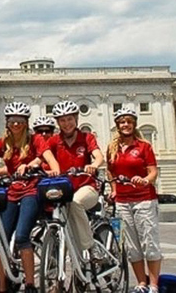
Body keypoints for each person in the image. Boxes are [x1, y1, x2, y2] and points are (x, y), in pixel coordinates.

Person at [0, 102, 59, 293]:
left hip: (31, 190)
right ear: (7, 123)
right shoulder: (4, 142)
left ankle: (30, 284)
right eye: (12, 121)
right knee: (1, 239)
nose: (16, 125)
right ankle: (2, 286)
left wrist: (51, 169)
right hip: (12, 192)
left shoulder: (36, 139)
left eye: (20, 121)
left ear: (25, 122)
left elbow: (49, 158)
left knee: (22, 235)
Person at [107, 108, 162, 293]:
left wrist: (145, 180)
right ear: (117, 125)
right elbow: (110, 171)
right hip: (122, 200)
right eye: (122, 122)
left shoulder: (143, 146)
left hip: (144, 199)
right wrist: (113, 189)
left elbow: (153, 171)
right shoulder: (112, 148)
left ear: (134, 124)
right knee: (131, 246)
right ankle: (141, 283)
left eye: (129, 122)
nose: (125, 125)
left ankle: (154, 285)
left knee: (149, 242)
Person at [45, 100, 104, 261]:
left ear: (76, 119)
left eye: (69, 119)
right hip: (64, 189)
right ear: (58, 122)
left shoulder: (86, 137)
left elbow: (99, 156)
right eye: (62, 120)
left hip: (87, 187)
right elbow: (42, 157)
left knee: (75, 202)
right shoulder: (54, 141)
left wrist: (93, 165)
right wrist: (31, 166)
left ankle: (90, 246)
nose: (66, 124)